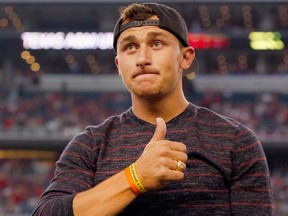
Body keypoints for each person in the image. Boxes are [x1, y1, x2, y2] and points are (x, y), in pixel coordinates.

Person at [33, 2, 274, 215]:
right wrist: (136, 177)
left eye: (157, 43)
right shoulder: (91, 144)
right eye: (130, 47)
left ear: (186, 57)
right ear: (119, 64)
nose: (142, 58)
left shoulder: (236, 141)